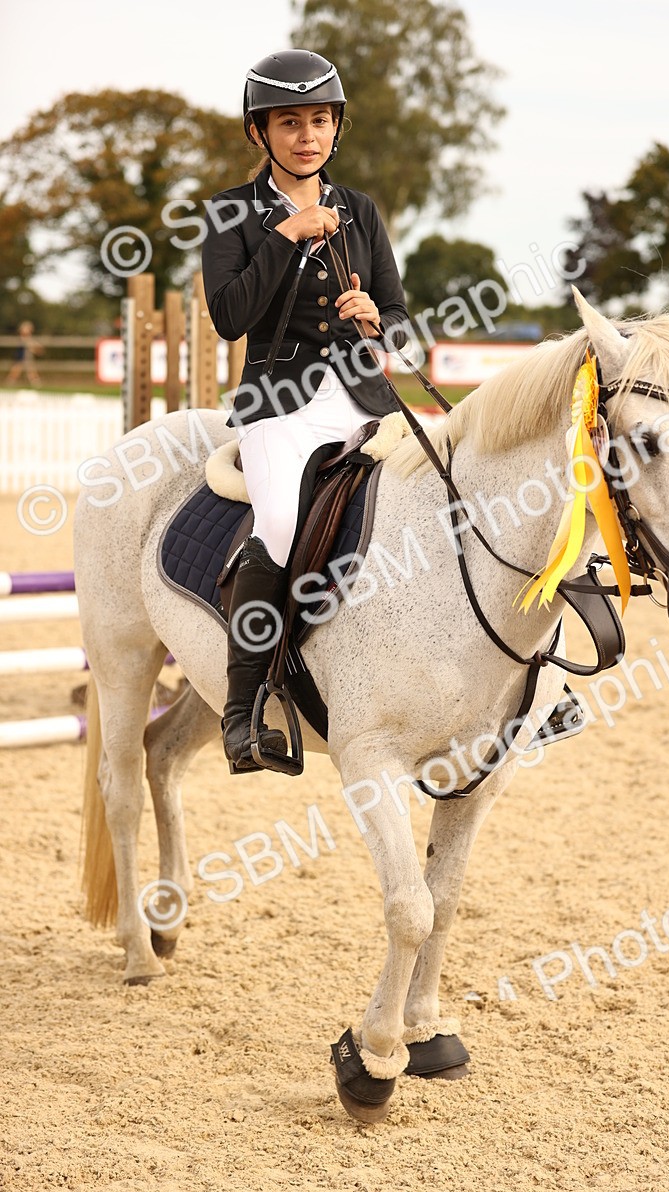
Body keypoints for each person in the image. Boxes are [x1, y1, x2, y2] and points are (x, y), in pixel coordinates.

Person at [202, 48, 410, 774]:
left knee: (448, 486)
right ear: (260, 132)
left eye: (320, 120)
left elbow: (403, 321)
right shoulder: (231, 212)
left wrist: (376, 318)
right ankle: (242, 710)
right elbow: (230, 316)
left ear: (336, 127)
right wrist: (286, 236)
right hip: (278, 409)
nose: (307, 135)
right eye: (289, 122)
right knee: (282, 523)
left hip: (362, 402)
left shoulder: (361, 210)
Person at [5, 321, 42, 387]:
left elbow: (36, 348)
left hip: (27, 357)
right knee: (17, 370)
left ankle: (36, 383)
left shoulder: (30, 339)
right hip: (21, 356)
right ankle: (10, 382)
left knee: (30, 370)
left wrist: (35, 348)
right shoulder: (22, 338)